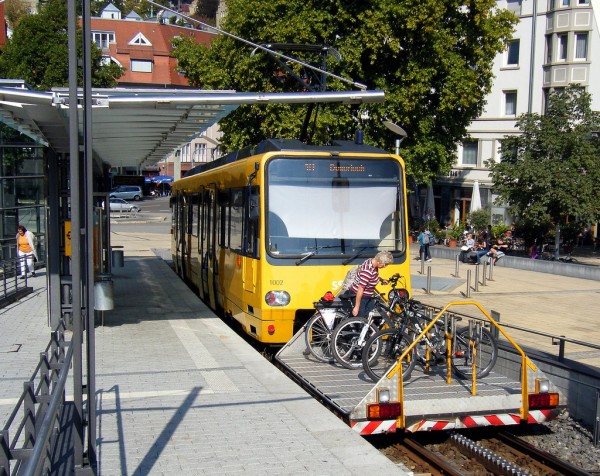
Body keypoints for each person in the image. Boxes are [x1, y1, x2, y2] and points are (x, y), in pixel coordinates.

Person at [348, 251, 393, 317]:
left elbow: (371, 276)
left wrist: (381, 280)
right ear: (380, 262)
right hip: (360, 296)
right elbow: (360, 289)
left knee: (369, 313)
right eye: (385, 264)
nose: (385, 266)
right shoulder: (367, 271)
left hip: (367, 295)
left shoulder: (371, 262)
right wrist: (357, 307)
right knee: (361, 318)